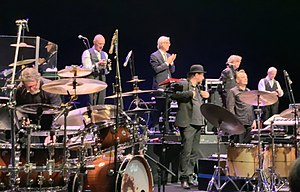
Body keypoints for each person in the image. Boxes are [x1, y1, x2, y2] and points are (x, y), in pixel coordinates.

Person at [171, 64, 209, 189]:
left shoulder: (198, 88)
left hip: (198, 122)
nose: (203, 77)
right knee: (186, 151)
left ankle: (190, 176)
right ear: (196, 75)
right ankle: (183, 178)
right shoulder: (184, 83)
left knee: (194, 152)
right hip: (187, 123)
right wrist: (189, 94)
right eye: (202, 75)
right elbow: (172, 94)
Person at [15, 67, 62, 143]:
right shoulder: (20, 89)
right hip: (31, 124)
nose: (32, 89)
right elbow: (19, 108)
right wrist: (23, 118)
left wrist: (53, 133)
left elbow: (58, 114)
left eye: (33, 86)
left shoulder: (50, 88)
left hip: (49, 122)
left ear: (38, 80)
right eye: (28, 87)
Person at [149, 36, 176, 132]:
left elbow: (172, 70)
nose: (169, 44)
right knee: (159, 108)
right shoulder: (154, 56)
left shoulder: (168, 55)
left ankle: (167, 127)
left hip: (168, 86)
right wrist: (167, 63)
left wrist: (171, 63)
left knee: (167, 108)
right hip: (160, 86)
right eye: (167, 43)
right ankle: (156, 128)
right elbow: (156, 69)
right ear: (162, 44)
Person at [226, 70, 256, 143]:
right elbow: (230, 108)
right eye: (243, 77)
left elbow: (250, 107)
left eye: (246, 77)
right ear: (237, 80)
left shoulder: (248, 91)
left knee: (247, 146)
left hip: (249, 122)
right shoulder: (232, 91)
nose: (246, 79)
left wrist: (254, 120)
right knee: (239, 146)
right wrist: (234, 123)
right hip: (239, 123)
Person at [82, 34, 110, 105]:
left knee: (100, 105)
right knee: (91, 105)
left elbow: (106, 72)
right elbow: (86, 69)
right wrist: (98, 64)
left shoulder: (105, 54)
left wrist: (107, 67)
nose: (101, 46)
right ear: (94, 42)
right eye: (100, 44)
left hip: (102, 83)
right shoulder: (87, 53)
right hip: (91, 83)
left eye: (103, 44)